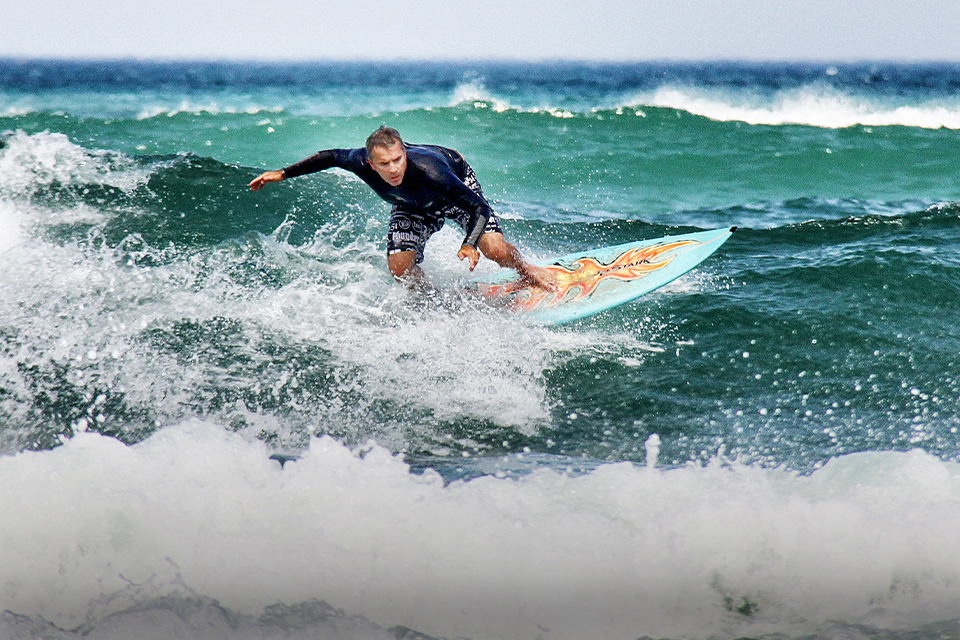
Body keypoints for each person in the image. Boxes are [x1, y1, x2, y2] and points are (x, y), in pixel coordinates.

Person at [249, 126, 555, 291]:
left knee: (494, 248)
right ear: (370, 163)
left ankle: (528, 273)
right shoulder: (359, 162)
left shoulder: (432, 171)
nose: (394, 168)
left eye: (398, 159)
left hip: (452, 191)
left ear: (404, 152)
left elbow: (479, 208)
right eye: (385, 163)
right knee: (400, 270)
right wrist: (283, 173)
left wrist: (469, 244)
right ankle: (432, 301)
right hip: (410, 205)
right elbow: (329, 156)